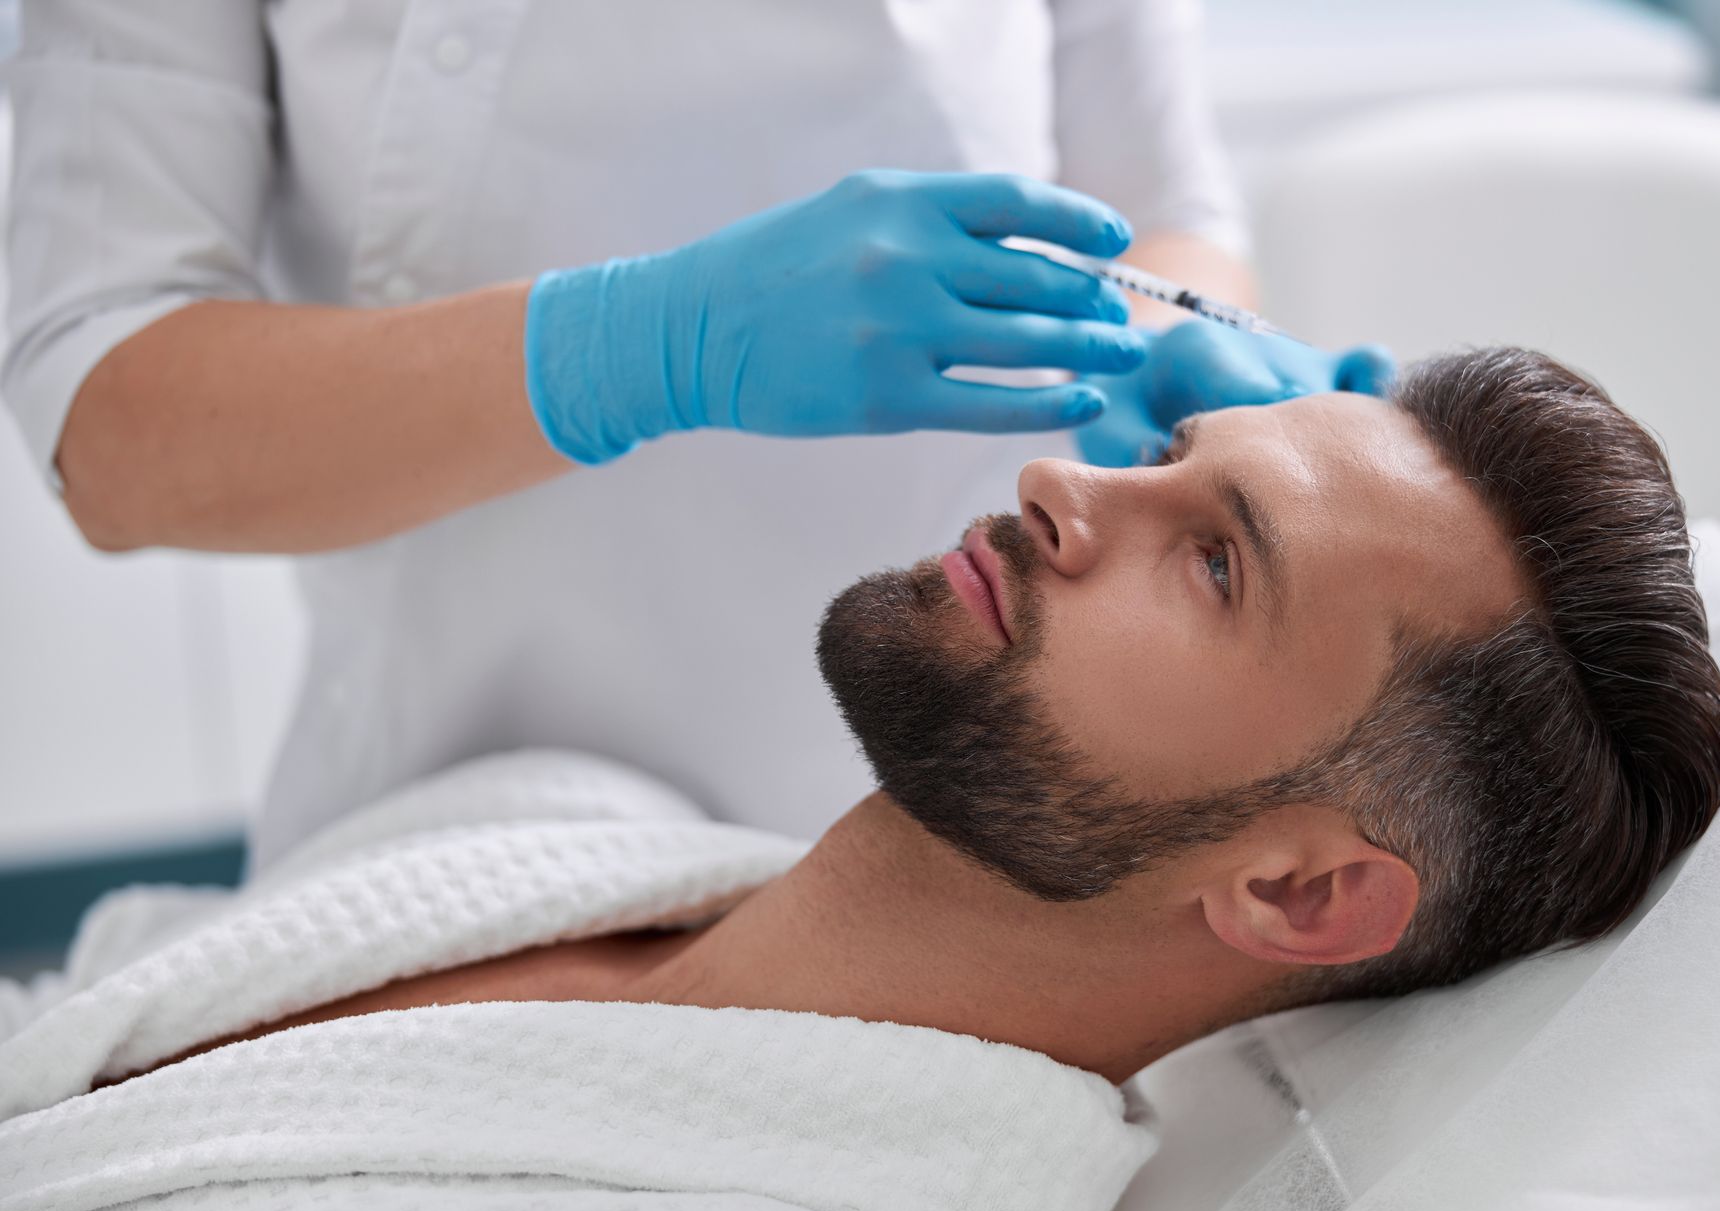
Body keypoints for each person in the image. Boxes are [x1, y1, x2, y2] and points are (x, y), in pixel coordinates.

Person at [0, 349, 1720, 1211]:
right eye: (1174, 450)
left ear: (1299, 897)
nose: (1070, 481)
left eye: (1216, 560)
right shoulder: (548, 817)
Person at [4, 1, 1383, 875]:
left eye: (1219, 565)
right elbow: (110, 421)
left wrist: (1174, 364)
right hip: (453, 814)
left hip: (1002, 825)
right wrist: (632, 344)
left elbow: (1166, 209)